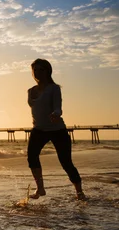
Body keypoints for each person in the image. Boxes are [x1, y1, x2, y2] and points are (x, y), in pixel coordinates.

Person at [27, 59, 85, 200]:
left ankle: (79, 192)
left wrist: (56, 113)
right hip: (38, 129)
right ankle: (40, 188)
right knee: (31, 157)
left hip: (57, 129)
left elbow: (58, 106)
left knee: (66, 162)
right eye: (35, 70)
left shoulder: (54, 88)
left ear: (48, 71)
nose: (38, 72)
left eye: (41, 69)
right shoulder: (31, 91)